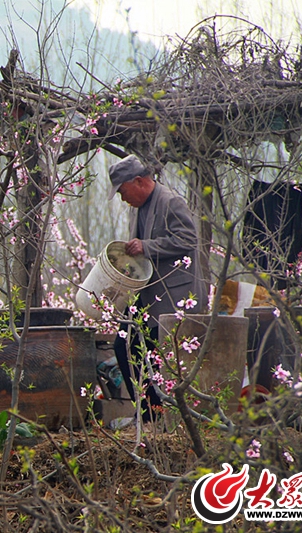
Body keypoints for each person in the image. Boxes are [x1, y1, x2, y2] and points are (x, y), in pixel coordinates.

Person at [106, 154, 208, 421]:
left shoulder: (170, 201)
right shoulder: (138, 207)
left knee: (154, 354)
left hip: (172, 296)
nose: (122, 198)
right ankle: (149, 414)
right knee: (123, 345)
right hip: (147, 292)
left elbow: (188, 238)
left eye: (123, 191)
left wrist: (148, 246)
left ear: (138, 181)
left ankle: (158, 415)